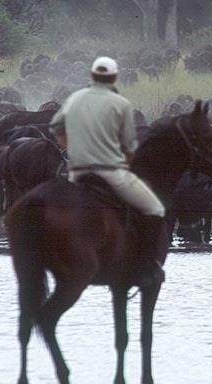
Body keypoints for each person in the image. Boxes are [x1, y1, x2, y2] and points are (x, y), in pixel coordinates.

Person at [50, 56, 165, 287]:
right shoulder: (119, 103)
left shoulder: (75, 98)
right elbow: (129, 147)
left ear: (92, 76)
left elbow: (55, 127)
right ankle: (148, 265)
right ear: (114, 77)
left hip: (77, 174)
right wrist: (126, 164)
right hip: (110, 172)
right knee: (155, 209)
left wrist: (71, 147)